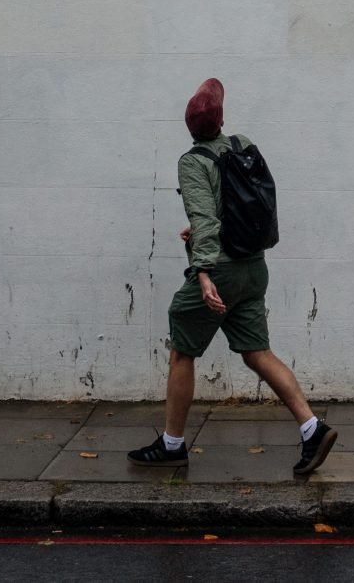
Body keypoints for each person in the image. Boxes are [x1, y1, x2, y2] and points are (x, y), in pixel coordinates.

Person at [130, 77, 338, 478]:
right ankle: (312, 428)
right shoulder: (242, 145)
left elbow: (205, 218)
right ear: (221, 120)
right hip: (252, 266)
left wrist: (203, 272)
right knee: (257, 352)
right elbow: (246, 205)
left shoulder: (193, 162)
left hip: (220, 271)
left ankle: (172, 445)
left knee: (182, 352)